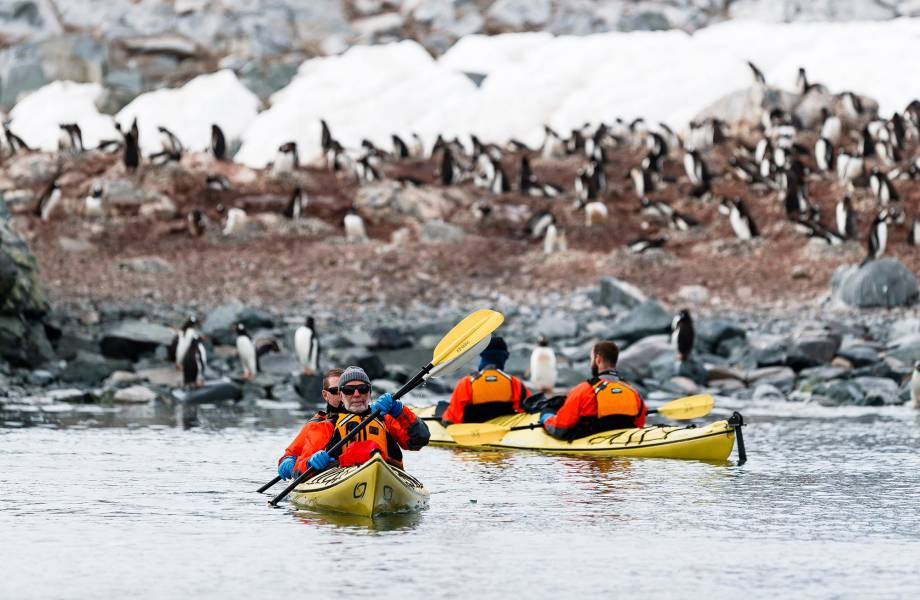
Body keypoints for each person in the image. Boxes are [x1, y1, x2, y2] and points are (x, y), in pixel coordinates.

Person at [293, 366, 430, 476]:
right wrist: (310, 463)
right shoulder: (324, 427)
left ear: (370, 392)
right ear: (341, 395)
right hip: (341, 479)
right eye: (349, 391)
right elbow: (298, 470)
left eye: (363, 389)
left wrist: (399, 411)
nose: (357, 394)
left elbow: (420, 440)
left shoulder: (386, 419)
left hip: (386, 474)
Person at [541, 341, 647, 440]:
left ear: (598, 359)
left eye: (591, 358)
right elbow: (639, 425)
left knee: (547, 413)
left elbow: (560, 427)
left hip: (589, 450)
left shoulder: (583, 391)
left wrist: (546, 418)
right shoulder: (633, 393)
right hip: (623, 446)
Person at [441, 336, 531, 425]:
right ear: (504, 357)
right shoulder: (515, 383)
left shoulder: (467, 383)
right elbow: (528, 409)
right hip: (505, 433)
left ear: (483, 356)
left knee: (441, 405)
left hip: (472, 434)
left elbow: (451, 418)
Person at [276, 368, 343, 480]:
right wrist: (289, 462)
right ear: (325, 395)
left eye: (347, 390)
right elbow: (290, 455)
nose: (342, 395)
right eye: (336, 391)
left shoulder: (371, 417)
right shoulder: (317, 425)